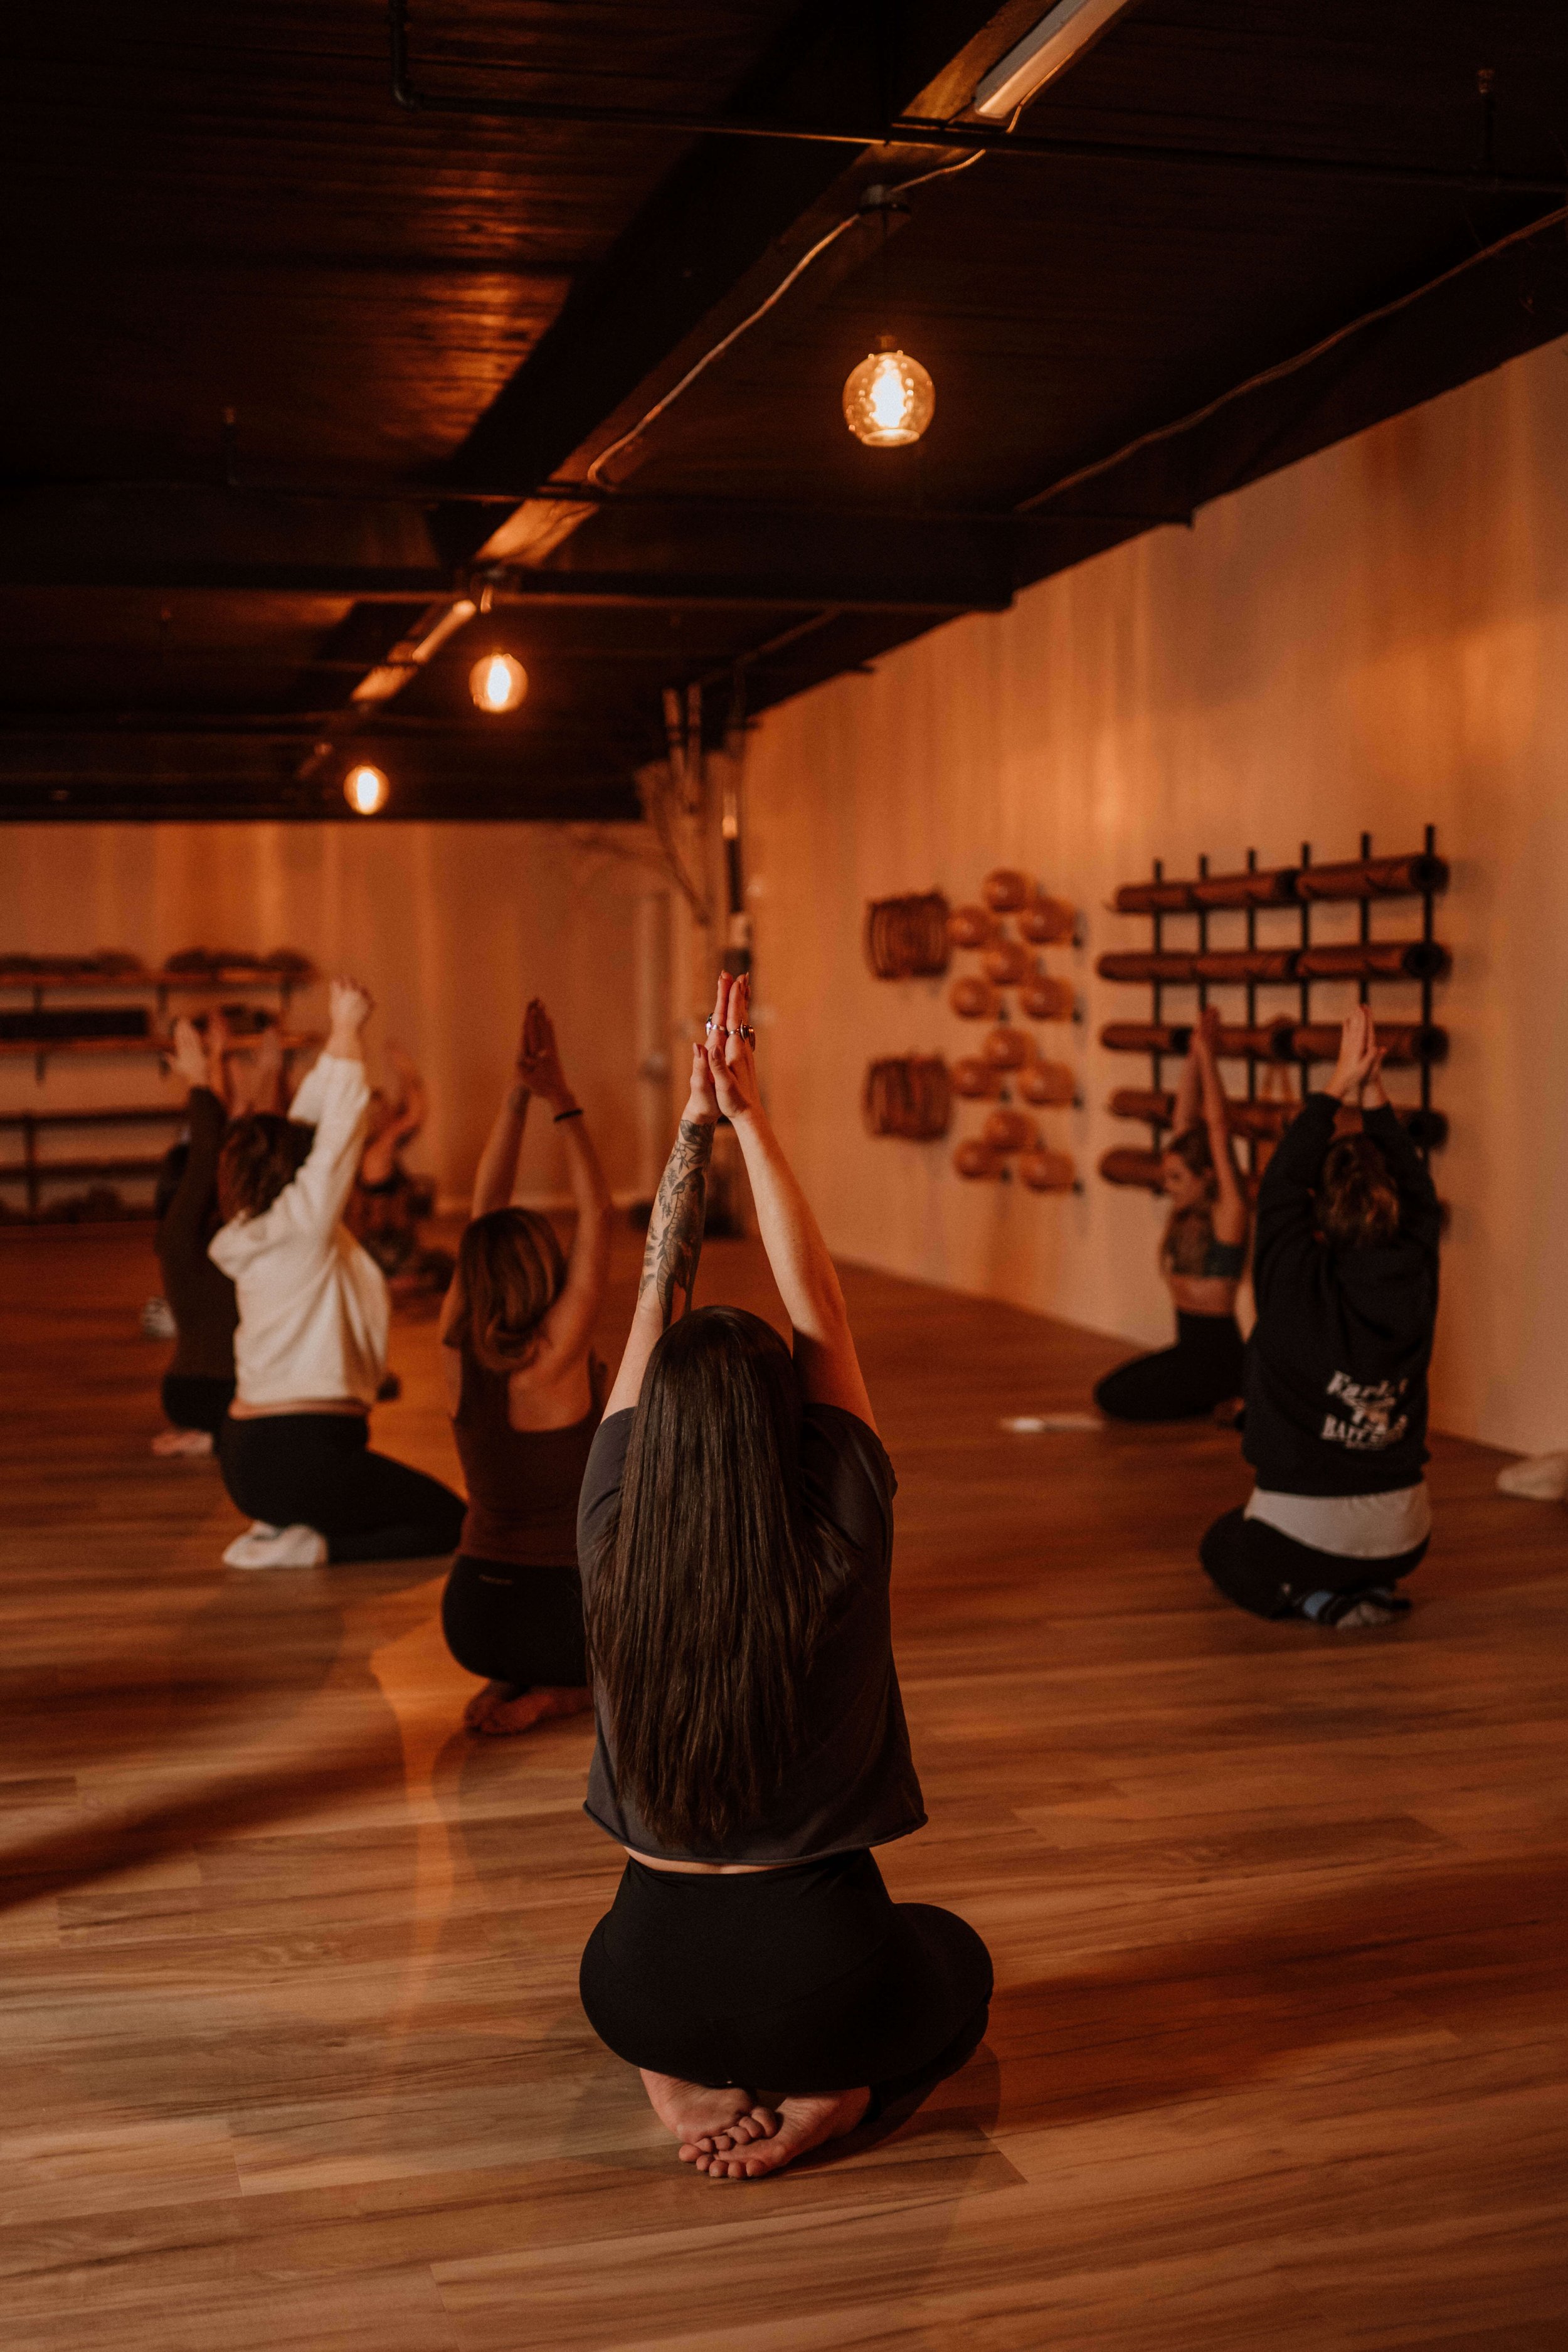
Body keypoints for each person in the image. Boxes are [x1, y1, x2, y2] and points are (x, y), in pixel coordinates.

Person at [576, 972, 993, 2183]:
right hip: (818, 1979)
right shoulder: (839, 1556)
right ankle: (834, 2090)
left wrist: (691, 1131)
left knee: (668, 1979)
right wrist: (750, 1116)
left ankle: (675, 2078)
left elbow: (655, 1302)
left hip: (633, 1983)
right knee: (950, 1959)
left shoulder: (610, 1538)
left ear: (656, 1437)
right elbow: (827, 1326)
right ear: (784, 1436)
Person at [1199, 1003, 1441, 1630]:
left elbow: (1278, 1186)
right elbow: (1419, 1197)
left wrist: (1339, 1088)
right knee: (1339, 1540)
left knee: (1223, 1545)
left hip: (1302, 1533)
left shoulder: (1290, 1282)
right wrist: (1372, 1102)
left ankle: (1315, 1600)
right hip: (1406, 1536)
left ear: (1319, 1215)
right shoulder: (1414, 1274)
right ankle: (1370, 1589)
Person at [210, 978, 465, 1571]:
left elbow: (304, 1130)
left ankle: (283, 1528)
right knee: (452, 1523)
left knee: (417, 1508)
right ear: (289, 1178)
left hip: (255, 1457)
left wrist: (338, 1045)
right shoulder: (300, 1228)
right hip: (299, 1455)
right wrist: (348, 1029)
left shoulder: (264, 1227)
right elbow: (330, 1147)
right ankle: (314, 1547)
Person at [438, 999, 612, 1735]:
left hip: (473, 1618)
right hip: (560, 1618)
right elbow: (599, 1213)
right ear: (543, 1269)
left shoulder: (452, 1345)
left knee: (523, 1628)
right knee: (667, 1649)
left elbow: (484, 1209)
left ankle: (505, 1685)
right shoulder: (555, 1354)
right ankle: (552, 1699)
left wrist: (514, 1097)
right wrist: (561, 1101)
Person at [1094, 1007, 1249, 1422]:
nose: (1169, 1186)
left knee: (1120, 1401)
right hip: (1189, 1349)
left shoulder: (1228, 1214)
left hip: (1219, 1359)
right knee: (1109, 1392)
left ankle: (1233, 1392)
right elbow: (1183, 1120)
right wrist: (1196, 1051)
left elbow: (1217, 1129)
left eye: (1178, 1178)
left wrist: (1210, 1061)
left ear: (1207, 1176)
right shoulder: (1186, 1212)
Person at [150, 1015, 240, 1456]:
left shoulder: (179, 1241)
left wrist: (210, 1070)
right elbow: (213, 1155)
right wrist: (201, 1080)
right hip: (223, 1392)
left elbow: (216, 1150)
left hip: (188, 1394)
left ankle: (209, 1435)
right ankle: (217, 1434)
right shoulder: (224, 1235)